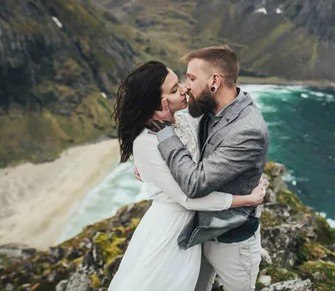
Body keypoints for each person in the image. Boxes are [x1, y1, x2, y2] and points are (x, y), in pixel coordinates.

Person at [108, 61, 265, 291]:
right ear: (154, 104)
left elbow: (218, 122)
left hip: (192, 228)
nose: (184, 89)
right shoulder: (146, 143)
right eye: (173, 90)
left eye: (179, 82)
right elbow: (187, 199)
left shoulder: (185, 120)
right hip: (169, 231)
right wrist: (245, 200)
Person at [149, 46, 269, 291]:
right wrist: (147, 162)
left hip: (232, 244)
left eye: (191, 78)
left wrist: (164, 132)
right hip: (198, 234)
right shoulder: (207, 110)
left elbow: (195, 184)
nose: (186, 86)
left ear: (214, 81)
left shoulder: (249, 129)